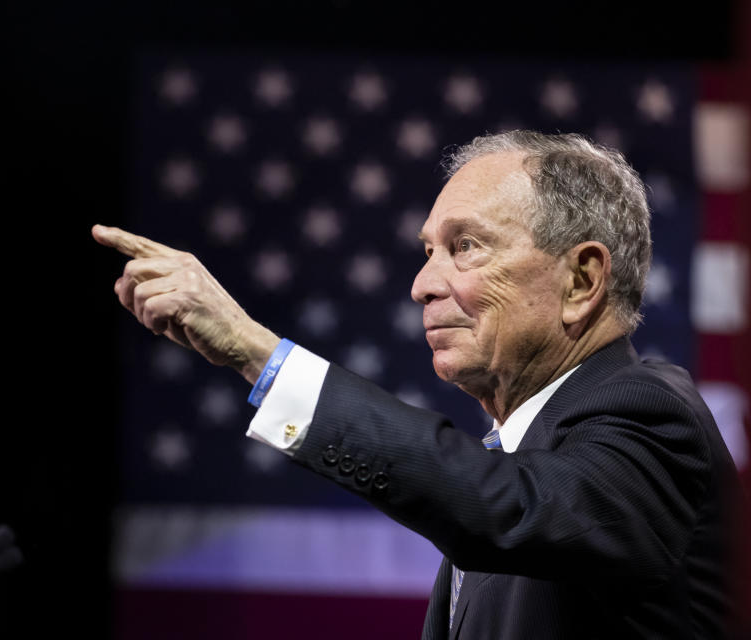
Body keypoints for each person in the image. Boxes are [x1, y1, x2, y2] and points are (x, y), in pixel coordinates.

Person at [93, 130, 739, 638]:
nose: (423, 285)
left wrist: (259, 354)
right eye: (428, 251)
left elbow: (507, 510)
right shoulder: (521, 448)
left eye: (466, 247)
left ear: (580, 282)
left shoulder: (652, 417)